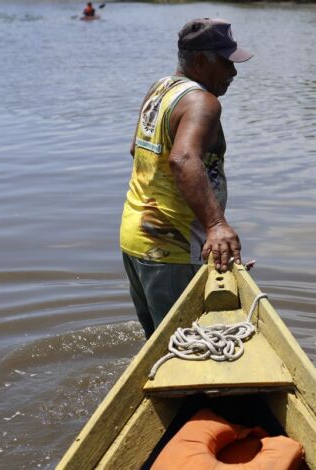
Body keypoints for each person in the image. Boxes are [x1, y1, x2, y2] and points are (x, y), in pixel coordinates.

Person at [120, 18, 253, 338]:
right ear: (200, 61)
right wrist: (216, 227)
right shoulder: (202, 102)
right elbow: (182, 159)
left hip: (136, 238)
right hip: (172, 248)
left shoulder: (161, 89)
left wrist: (208, 240)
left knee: (161, 348)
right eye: (226, 63)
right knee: (185, 355)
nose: (233, 73)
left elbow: (135, 149)